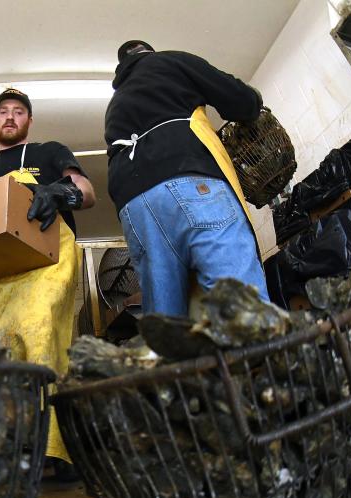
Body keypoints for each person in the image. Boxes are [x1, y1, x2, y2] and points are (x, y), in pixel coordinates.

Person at [0, 87, 95, 471]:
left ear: (28, 120)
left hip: (49, 256)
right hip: (0, 267)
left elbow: (87, 193)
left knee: (39, 335)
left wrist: (58, 192)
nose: (9, 117)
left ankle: (55, 451)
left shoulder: (49, 151)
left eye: (18, 111)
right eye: (2, 111)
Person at [104, 40, 269, 316]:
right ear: (149, 52)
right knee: (242, 312)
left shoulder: (114, 106)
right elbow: (237, 98)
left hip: (132, 206)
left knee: (168, 325)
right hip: (188, 181)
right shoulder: (171, 61)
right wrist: (253, 100)